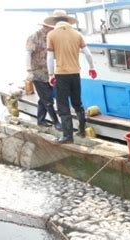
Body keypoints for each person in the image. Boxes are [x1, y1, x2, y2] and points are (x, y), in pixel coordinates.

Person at [46, 10, 97, 144]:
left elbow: (50, 57)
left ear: (54, 21)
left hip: (61, 74)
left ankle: (68, 136)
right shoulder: (77, 34)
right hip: (75, 74)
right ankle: (81, 130)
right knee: (77, 103)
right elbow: (88, 54)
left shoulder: (51, 35)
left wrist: (51, 74)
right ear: (67, 20)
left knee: (63, 105)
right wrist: (92, 67)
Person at [26, 20, 61, 130]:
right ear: (46, 27)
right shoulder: (33, 37)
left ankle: (40, 120)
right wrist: (29, 71)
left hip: (49, 73)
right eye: (52, 28)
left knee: (44, 98)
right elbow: (28, 55)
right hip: (37, 73)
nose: (53, 30)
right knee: (48, 99)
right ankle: (56, 122)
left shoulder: (51, 38)